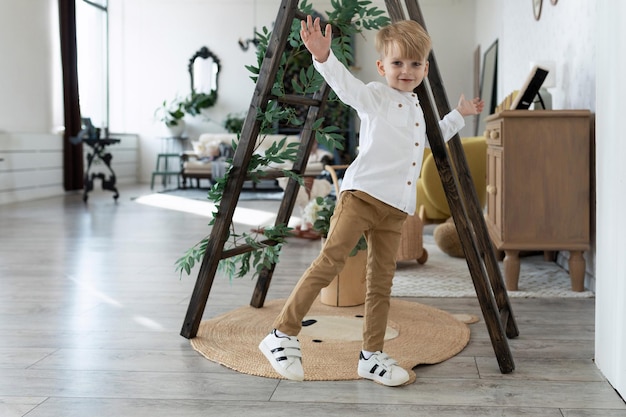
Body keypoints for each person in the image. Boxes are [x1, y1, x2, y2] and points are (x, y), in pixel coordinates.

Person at [259, 15, 484, 387]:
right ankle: (281, 334)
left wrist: (460, 115)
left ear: (425, 68)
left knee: (380, 283)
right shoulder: (375, 97)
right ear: (382, 67)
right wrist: (324, 58)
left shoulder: (415, 108)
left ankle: (371, 355)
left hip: (394, 210)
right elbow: (347, 87)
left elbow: (431, 138)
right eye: (397, 63)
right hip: (361, 197)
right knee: (329, 261)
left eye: (415, 64)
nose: (406, 71)